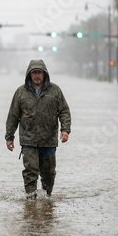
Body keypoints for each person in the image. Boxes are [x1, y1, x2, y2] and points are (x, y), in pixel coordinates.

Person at [5, 59, 71, 199]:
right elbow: (13, 115)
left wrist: (65, 130)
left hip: (48, 140)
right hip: (28, 140)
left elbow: (64, 111)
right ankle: (30, 201)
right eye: (34, 73)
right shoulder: (20, 93)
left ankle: (47, 198)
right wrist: (9, 137)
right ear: (29, 74)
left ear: (44, 74)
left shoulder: (55, 91)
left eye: (39, 73)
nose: (37, 76)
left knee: (48, 174)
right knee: (30, 171)